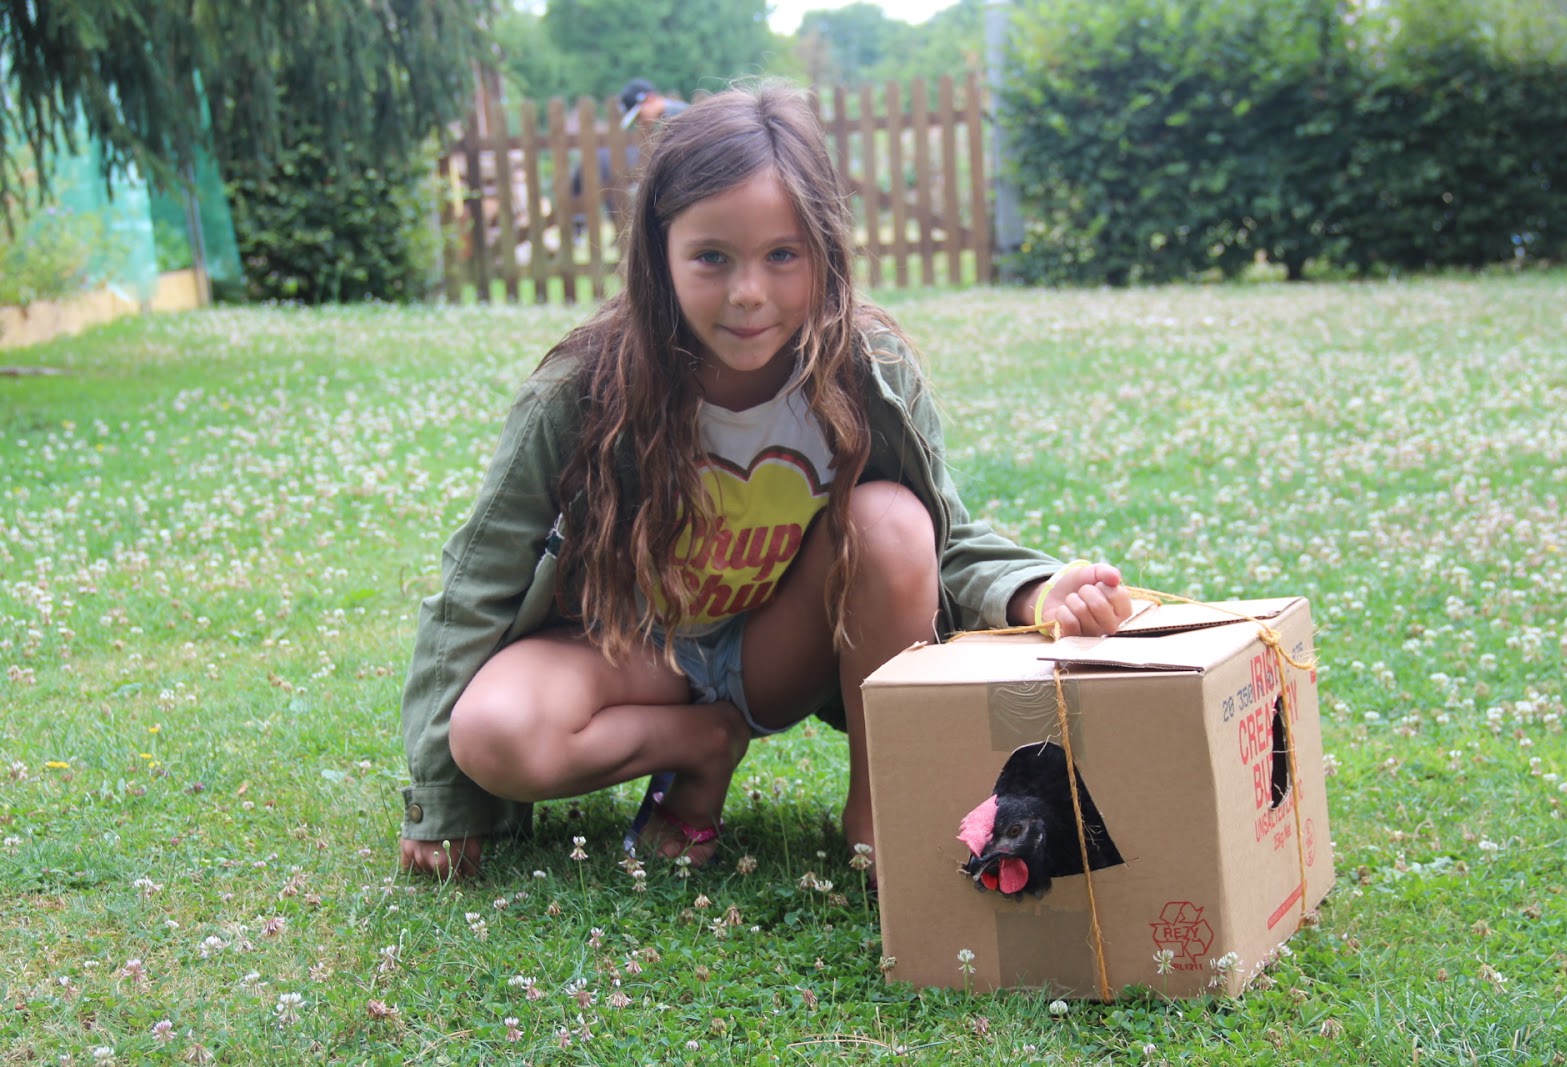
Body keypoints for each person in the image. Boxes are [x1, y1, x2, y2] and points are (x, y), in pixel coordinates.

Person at [398, 81, 1134, 879]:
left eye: (783, 255)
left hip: (777, 651)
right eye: (712, 257)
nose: (748, 293)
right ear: (659, 253)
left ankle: (881, 817)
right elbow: (478, 581)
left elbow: (942, 538)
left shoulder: (868, 373)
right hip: (631, 651)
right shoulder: (582, 391)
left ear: (825, 250)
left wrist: (1036, 592)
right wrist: (444, 800)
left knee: (892, 520)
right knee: (491, 733)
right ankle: (703, 743)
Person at [618, 78, 690, 129]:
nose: (640, 122)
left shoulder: (683, 115)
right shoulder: (664, 122)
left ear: (650, 98)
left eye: (639, 115)